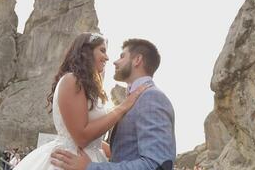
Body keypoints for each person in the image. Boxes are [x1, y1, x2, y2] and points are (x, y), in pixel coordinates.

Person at [13, 33, 148, 170]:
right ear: (86, 51)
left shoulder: (87, 86)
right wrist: (123, 107)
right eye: (102, 50)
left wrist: (124, 155)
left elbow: (94, 142)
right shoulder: (71, 80)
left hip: (89, 160)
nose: (107, 57)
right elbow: (81, 137)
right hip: (69, 161)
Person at [51, 38, 176, 170]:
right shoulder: (133, 99)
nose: (114, 61)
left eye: (122, 56)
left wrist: (91, 167)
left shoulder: (151, 98)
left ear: (137, 60)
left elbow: (157, 165)